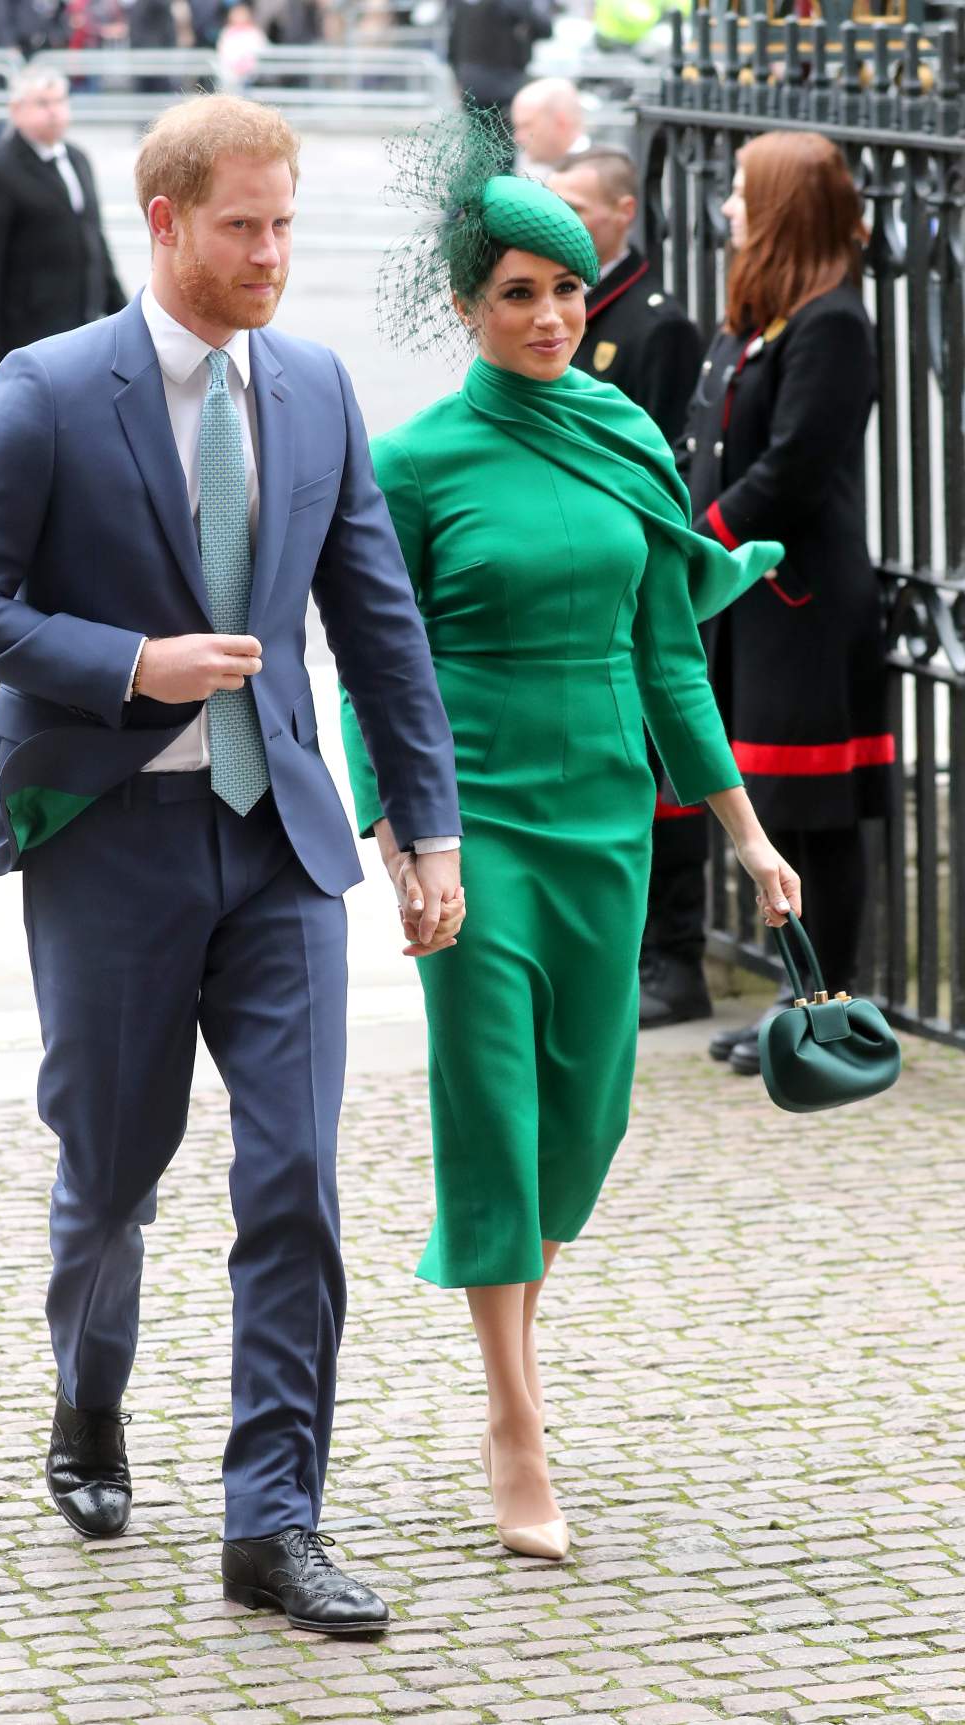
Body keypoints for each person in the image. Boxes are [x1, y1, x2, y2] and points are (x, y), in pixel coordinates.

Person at [0, 94, 463, 1635]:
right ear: (164, 223)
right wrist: (129, 662)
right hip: (111, 843)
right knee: (111, 1171)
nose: (273, 254)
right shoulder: (49, 390)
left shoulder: (317, 385)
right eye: (243, 227)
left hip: (281, 839)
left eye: (286, 223)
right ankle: (90, 1398)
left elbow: (378, 624)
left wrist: (427, 822)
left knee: (294, 1176)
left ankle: (271, 1521)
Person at [341, 112, 800, 1562]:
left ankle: (516, 1362)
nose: (548, 314)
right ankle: (514, 1416)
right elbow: (373, 661)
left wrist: (743, 828)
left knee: (583, 1119)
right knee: (491, 1107)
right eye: (516, 294)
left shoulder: (620, 437)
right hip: (469, 821)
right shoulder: (412, 464)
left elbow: (670, 654)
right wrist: (402, 837)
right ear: (468, 307)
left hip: (607, 816)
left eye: (563, 287)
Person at [677, 132, 894, 1076]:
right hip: (755, 597)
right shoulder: (762, 315)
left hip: (806, 603)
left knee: (820, 808)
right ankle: (791, 992)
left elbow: (797, 465)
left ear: (779, 208)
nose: (727, 208)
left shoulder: (834, 321)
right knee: (776, 807)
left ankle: (827, 1006)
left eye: (738, 192)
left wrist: (705, 535)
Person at [551, 146, 711, 1029]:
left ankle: (673, 957)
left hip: (629, 575)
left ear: (621, 211)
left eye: (579, 206)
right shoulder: (571, 307)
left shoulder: (654, 323)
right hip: (568, 577)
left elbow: (659, 468)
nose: (565, 220)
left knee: (658, 768)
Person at [0, 69, 126, 401]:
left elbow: (93, 239)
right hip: (25, 328)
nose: (54, 111)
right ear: (16, 110)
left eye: (60, 101)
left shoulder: (77, 159)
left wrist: (120, 310)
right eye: (42, 103)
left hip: (80, 322)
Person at [447, 0, 555, 133]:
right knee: (502, 140)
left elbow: (452, 44)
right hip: (502, 83)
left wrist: (458, 78)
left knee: (480, 140)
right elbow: (544, 28)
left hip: (471, 82)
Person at [510, 77, 587, 178]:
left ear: (562, 123)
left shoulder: (598, 176)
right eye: (517, 127)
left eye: (526, 125)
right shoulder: (523, 163)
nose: (517, 138)